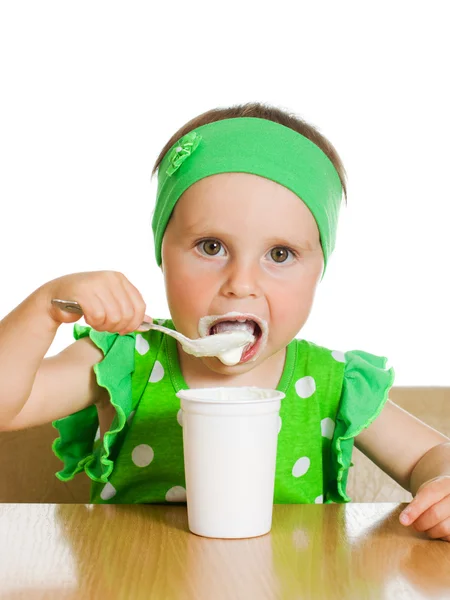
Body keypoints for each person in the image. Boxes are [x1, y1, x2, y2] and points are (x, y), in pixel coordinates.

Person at [1, 103, 449, 541]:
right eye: (211, 247)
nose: (241, 284)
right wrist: (44, 309)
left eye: (279, 254)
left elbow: (429, 455)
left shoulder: (334, 383)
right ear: (163, 255)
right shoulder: (124, 359)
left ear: (319, 272)